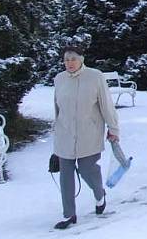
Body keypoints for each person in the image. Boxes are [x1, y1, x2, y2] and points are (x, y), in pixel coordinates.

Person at [52, 45, 120, 230]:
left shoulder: (95, 76)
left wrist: (113, 128)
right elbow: (57, 109)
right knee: (66, 175)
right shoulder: (59, 79)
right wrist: (56, 134)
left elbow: (106, 105)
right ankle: (69, 214)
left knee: (86, 169)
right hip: (65, 134)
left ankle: (100, 195)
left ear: (81, 59)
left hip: (89, 133)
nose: (69, 63)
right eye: (66, 59)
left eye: (73, 58)